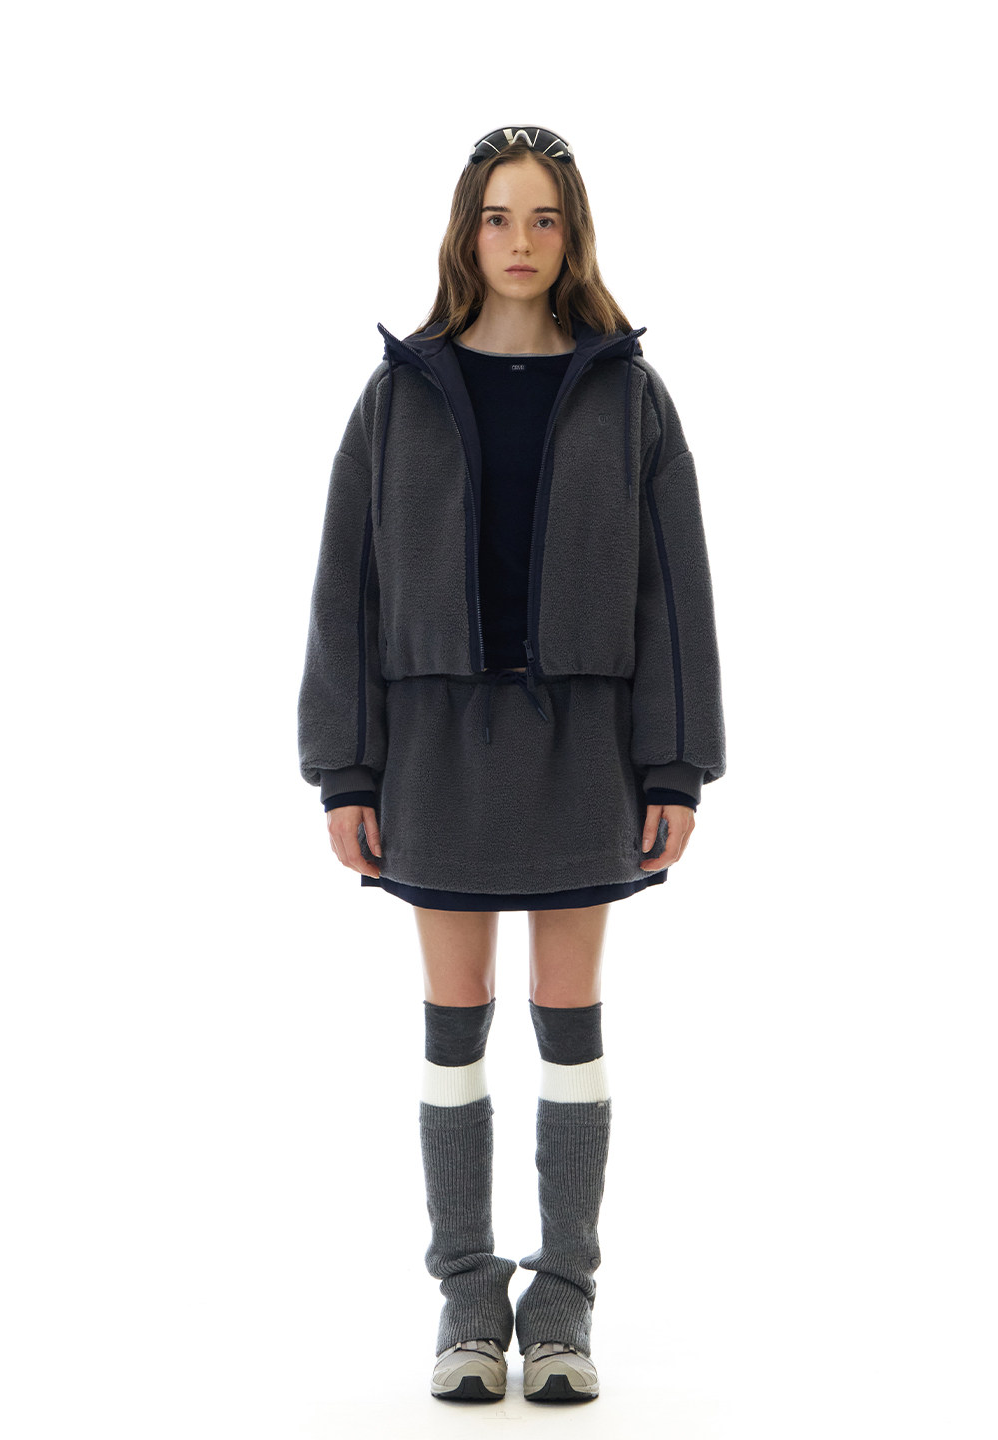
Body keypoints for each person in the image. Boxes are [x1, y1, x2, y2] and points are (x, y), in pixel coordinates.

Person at [296, 125, 727, 1403]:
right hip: (434, 754)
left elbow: (674, 592)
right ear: (465, 230)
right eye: (499, 216)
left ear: (572, 232)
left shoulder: (631, 395)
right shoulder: (397, 396)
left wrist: (674, 766)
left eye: (544, 218)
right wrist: (346, 771)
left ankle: (566, 1300)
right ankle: (468, 1296)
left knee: (570, 1014)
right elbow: (346, 589)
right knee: (455, 1020)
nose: (521, 241)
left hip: (582, 752)